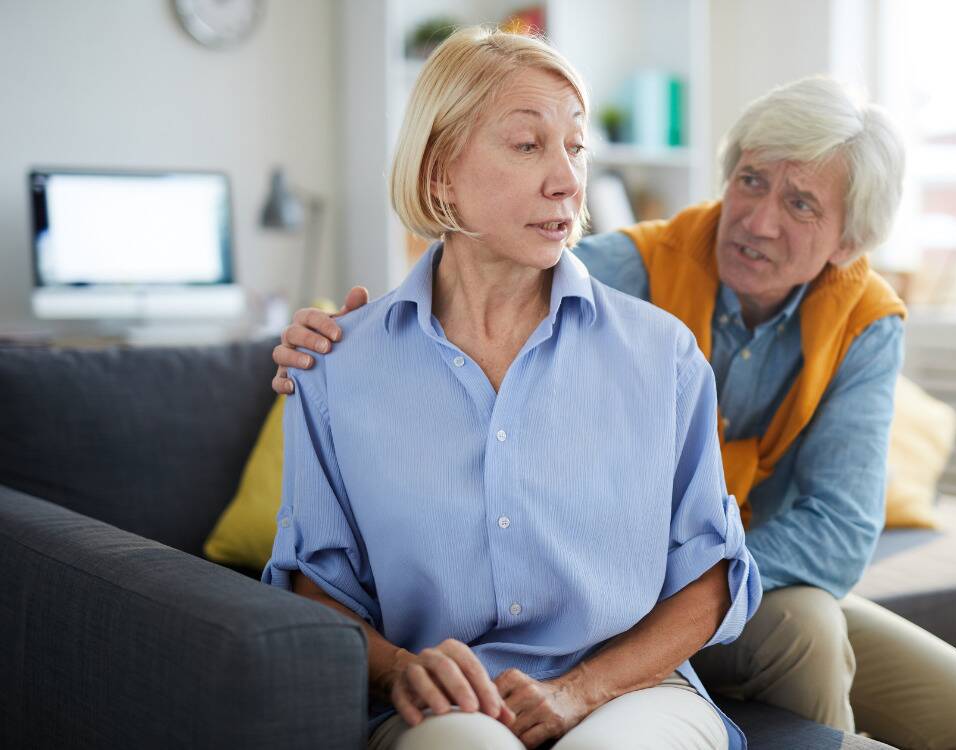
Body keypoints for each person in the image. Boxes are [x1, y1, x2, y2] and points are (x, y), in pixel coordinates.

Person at [274, 72, 956, 749]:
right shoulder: (625, 266)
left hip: (698, 589)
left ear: (848, 242)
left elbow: (837, 531)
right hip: (623, 606)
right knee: (809, 630)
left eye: (800, 204)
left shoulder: (861, 321)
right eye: (751, 180)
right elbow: (477, 279)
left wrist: (664, 583)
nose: (759, 221)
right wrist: (348, 337)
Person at [263, 26, 761, 750]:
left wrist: (577, 692)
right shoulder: (337, 366)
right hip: (443, 708)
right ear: (439, 172)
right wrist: (400, 670)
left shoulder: (664, 357)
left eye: (575, 146)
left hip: (633, 691)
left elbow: (713, 577)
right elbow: (313, 585)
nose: (566, 177)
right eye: (528, 145)